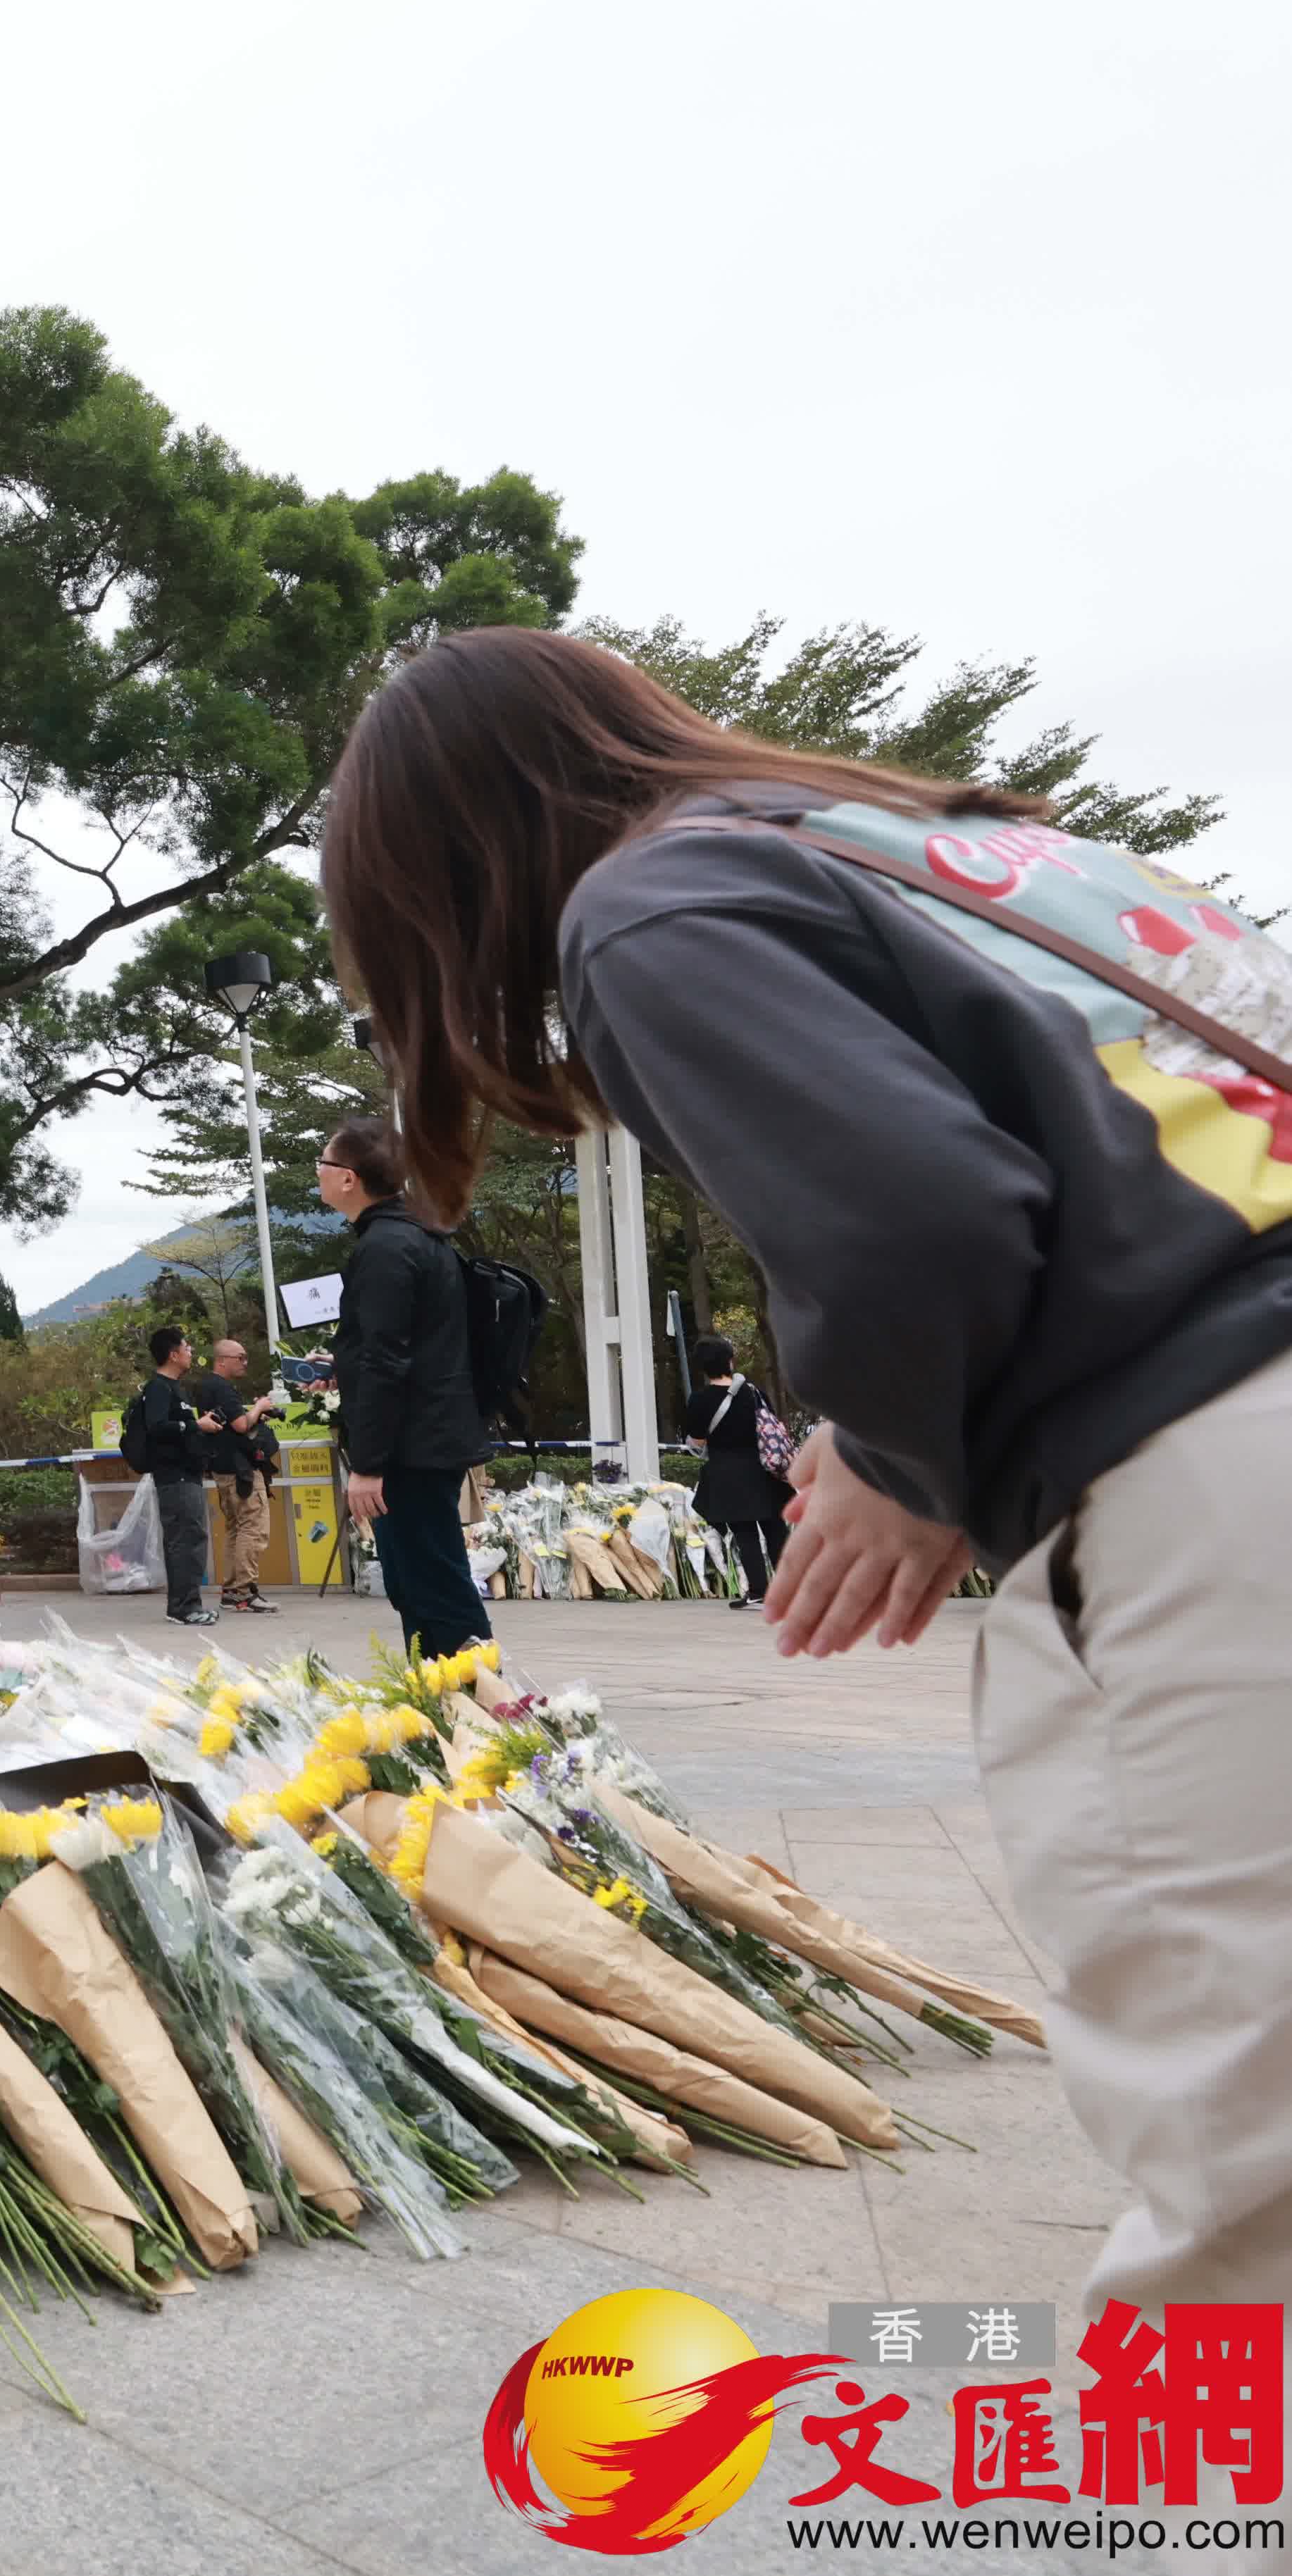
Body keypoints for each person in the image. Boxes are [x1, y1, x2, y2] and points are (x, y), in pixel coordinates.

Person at [319, 621, 1292, 2391]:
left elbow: (920, 1224)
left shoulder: (646, 905)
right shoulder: (956, 848)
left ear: (445, 877)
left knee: (1253, 2201)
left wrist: (913, 1450)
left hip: (1222, 1479)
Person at [319, 1116, 496, 1660]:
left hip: (409, 1450)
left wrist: (367, 1464)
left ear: (349, 1178)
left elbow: (385, 1361)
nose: (318, 1177)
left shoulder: (385, 1248)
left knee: (433, 1585)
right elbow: (401, 1349)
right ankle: (442, 1708)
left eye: (322, 1166)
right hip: (427, 1437)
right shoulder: (416, 1236)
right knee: (416, 1584)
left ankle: (488, 1710)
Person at [681, 1333, 794, 1610]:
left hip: (728, 1472)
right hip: (765, 1469)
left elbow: (697, 1441)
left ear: (702, 1368)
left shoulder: (700, 1400)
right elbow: (770, 1425)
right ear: (730, 1361)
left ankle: (758, 1592)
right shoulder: (753, 1392)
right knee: (775, 1528)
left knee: (745, 1532)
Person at [122, 1324, 213, 1626]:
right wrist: (195, 1426)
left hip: (188, 1474)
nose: (191, 1353)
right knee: (183, 1540)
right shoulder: (158, 1388)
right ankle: (183, 1608)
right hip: (174, 1477)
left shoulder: (177, 1389)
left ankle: (191, 1604)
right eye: (187, 1348)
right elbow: (158, 1427)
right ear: (173, 1355)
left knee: (193, 1538)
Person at [196, 1337, 284, 1612]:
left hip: (223, 1469)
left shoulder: (206, 1386)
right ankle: (244, 1592)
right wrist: (258, 1408)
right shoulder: (222, 1389)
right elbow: (241, 1425)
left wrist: (255, 1415)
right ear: (222, 1360)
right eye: (240, 1357)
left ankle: (233, 1590)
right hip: (241, 1472)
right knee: (253, 1529)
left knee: (236, 1529)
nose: (245, 1362)